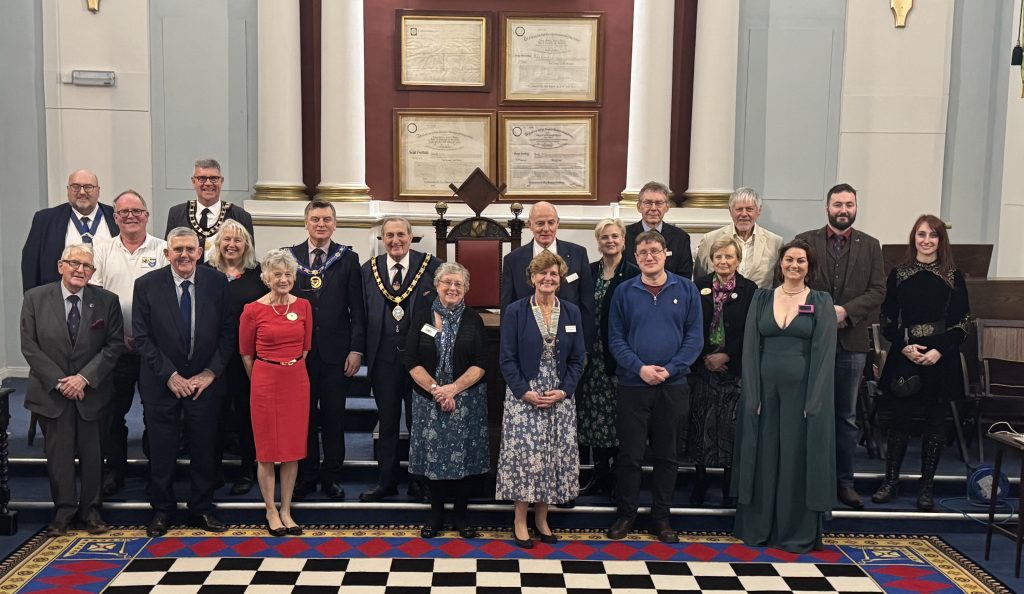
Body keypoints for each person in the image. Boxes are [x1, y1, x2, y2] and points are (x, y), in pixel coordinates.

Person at [732, 239, 837, 553]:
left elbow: (824, 354)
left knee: (794, 456)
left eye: (801, 261)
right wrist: (753, 394)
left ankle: (793, 530)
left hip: (802, 394)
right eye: (789, 259)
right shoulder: (762, 298)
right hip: (764, 393)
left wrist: (814, 401)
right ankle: (759, 526)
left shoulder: (820, 301)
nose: (794, 265)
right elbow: (750, 347)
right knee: (763, 455)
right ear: (780, 264)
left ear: (809, 266)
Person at [133, 227, 236, 537]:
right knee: (162, 449)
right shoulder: (146, 285)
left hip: (205, 382)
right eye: (177, 249)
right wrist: (170, 375)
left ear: (200, 253)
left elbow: (228, 332)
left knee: (205, 447)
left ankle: (201, 508)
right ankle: (162, 510)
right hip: (161, 382)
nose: (184, 255)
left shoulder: (217, 283)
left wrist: (211, 372)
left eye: (190, 249)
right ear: (167, 254)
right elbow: (142, 337)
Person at [21, 244, 124, 536]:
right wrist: (61, 381)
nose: (80, 270)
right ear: (60, 266)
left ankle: (91, 512)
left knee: (94, 456)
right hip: (52, 393)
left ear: (93, 272)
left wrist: (83, 379)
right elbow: (29, 346)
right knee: (59, 457)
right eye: (74, 263)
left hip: (92, 392)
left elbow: (114, 345)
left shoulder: (107, 301)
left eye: (87, 266)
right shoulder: (35, 298)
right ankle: (63, 512)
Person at [606, 230, 702, 544]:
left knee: (667, 456)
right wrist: (640, 368)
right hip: (633, 385)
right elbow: (615, 339)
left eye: (655, 251)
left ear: (665, 254)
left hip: (673, 386)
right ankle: (626, 515)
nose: (649, 257)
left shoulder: (686, 289)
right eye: (643, 252)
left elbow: (694, 339)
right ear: (635, 257)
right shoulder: (624, 291)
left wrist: (670, 369)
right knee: (630, 455)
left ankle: (661, 518)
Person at [795, 183, 885, 510]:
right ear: (827, 207)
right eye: (838, 204)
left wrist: (846, 311)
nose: (843, 210)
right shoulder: (806, 241)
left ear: (856, 207)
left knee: (846, 416)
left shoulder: (871, 245)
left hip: (852, 342)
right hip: (810, 341)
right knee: (808, 410)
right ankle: (807, 480)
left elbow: (878, 290)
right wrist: (823, 313)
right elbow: (793, 285)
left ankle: (844, 482)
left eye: (849, 204)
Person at [873, 215, 969, 511]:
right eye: (921, 234)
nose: (926, 240)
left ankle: (926, 486)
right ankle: (890, 481)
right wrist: (904, 346)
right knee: (899, 421)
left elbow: (962, 322)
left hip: (941, 356)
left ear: (941, 240)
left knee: (935, 424)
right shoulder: (899, 273)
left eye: (933, 235)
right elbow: (887, 319)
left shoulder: (953, 275)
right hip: (906, 353)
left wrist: (939, 350)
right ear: (913, 237)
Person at [497, 251, 587, 549]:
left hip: (558, 396)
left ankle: (542, 519)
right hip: (525, 396)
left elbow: (578, 358)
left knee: (552, 457)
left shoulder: (571, 312)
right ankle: (520, 520)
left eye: (553, 274)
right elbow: (506, 358)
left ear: (560, 280)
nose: (548, 278)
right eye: (542, 273)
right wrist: (524, 392)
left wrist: (565, 390)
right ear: (532, 277)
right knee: (526, 458)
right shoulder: (516, 311)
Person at [90, 190, 167, 496]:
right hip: (114, 348)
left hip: (154, 350)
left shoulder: (163, 249)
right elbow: (95, 298)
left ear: (147, 215)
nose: (131, 216)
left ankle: (156, 471)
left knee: (155, 413)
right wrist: (117, 336)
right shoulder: (101, 249)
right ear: (115, 217)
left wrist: (147, 339)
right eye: (124, 212)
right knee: (112, 413)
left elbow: (167, 301)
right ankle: (114, 470)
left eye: (137, 211)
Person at [404, 262, 489, 538]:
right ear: (437, 285)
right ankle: (436, 514)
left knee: (464, 456)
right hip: (428, 399)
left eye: (458, 284)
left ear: (466, 289)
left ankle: (461, 515)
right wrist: (437, 390)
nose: (452, 288)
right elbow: (411, 359)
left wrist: (453, 389)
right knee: (433, 456)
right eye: (447, 282)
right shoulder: (421, 316)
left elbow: (481, 363)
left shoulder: (474, 320)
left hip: (466, 399)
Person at [288, 200, 365, 500]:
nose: (321, 224)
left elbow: (357, 309)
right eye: (315, 219)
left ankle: (331, 476)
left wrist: (356, 349)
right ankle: (306, 475)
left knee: (334, 417)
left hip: (336, 354)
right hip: (299, 354)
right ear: (305, 223)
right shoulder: (289, 257)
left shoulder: (348, 259)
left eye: (327, 219)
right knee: (303, 418)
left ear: (335, 223)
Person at [360, 216, 439, 503]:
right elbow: (360, 313)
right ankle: (386, 482)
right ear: (382, 239)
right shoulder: (368, 270)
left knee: (420, 422)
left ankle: (420, 481)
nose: (395, 241)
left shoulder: (432, 267)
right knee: (388, 421)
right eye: (389, 235)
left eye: (401, 235)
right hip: (383, 358)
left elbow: (442, 311)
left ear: (410, 236)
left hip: (421, 360)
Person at [240, 249, 313, 536]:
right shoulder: (252, 310)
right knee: (267, 450)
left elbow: (305, 348)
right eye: (277, 274)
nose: (283, 279)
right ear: (266, 278)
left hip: (296, 380)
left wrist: (287, 367)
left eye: (288, 274)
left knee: (292, 450)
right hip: (265, 381)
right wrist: (264, 376)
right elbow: (247, 354)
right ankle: (271, 509)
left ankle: (286, 509)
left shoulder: (304, 306)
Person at [687, 236, 756, 506]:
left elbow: (751, 329)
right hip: (703, 367)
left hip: (733, 368)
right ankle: (700, 480)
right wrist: (706, 356)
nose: (723, 261)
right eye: (718, 256)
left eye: (729, 256)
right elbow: (690, 324)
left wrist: (727, 355)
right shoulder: (698, 287)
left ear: (738, 260)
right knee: (700, 424)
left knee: (730, 427)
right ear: (711, 260)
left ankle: (730, 483)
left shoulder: (750, 289)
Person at [576, 219, 639, 498]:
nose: (610, 241)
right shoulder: (588, 272)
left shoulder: (633, 273)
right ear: (598, 242)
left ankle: (616, 475)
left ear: (623, 240)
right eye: (604, 237)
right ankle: (599, 472)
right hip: (591, 357)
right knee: (592, 416)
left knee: (617, 417)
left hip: (619, 357)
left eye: (615, 236)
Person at [206, 219, 264, 495]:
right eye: (227, 239)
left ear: (246, 245)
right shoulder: (205, 272)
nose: (231, 244)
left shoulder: (258, 274)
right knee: (213, 416)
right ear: (218, 243)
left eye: (238, 240)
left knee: (246, 415)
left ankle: (246, 470)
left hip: (248, 359)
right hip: (213, 358)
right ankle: (212, 470)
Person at [500, 201, 595, 347]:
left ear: (558, 223)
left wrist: (586, 347)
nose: (546, 229)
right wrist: (507, 346)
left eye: (551, 223)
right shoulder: (513, 260)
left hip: (569, 342)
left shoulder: (578, 254)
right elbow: (507, 308)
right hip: (526, 342)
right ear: (530, 225)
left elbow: (587, 304)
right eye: (540, 223)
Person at [22, 169, 118, 292]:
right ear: (68, 190)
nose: (82, 192)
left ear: (98, 190)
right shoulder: (45, 220)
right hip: (59, 300)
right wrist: (33, 301)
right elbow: (30, 265)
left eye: (88, 187)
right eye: (76, 187)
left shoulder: (117, 217)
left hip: (109, 298)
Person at [694, 187, 783, 289]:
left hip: (759, 298)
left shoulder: (775, 242)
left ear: (758, 211)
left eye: (749, 209)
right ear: (730, 211)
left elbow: (779, 283)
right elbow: (699, 279)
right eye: (739, 209)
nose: (744, 214)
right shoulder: (709, 240)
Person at [165, 158, 255, 259]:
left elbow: (249, 257)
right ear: (193, 181)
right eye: (202, 178)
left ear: (221, 181)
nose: (208, 183)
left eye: (213, 178)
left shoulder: (240, 216)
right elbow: (170, 255)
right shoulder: (177, 214)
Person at [624, 181, 693, 279]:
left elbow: (684, 277)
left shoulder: (681, 238)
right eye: (648, 203)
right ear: (639, 207)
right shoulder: (624, 236)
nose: (653, 208)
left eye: (658, 203)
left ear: (667, 207)